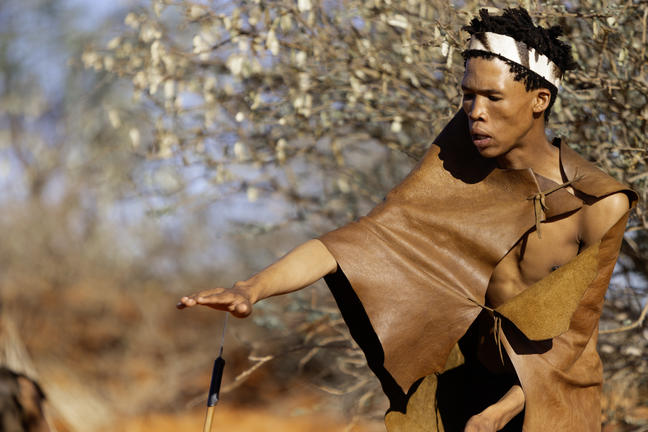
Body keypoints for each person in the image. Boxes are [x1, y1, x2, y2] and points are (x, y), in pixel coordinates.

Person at [178, 8, 637, 431]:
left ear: (540, 100)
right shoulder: (458, 161)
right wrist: (252, 289)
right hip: (465, 389)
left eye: (493, 97)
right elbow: (359, 242)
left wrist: (497, 415)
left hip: (548, 404)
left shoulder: (601, 203)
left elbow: (572, 343)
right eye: (468, 96)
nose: (476, 113)